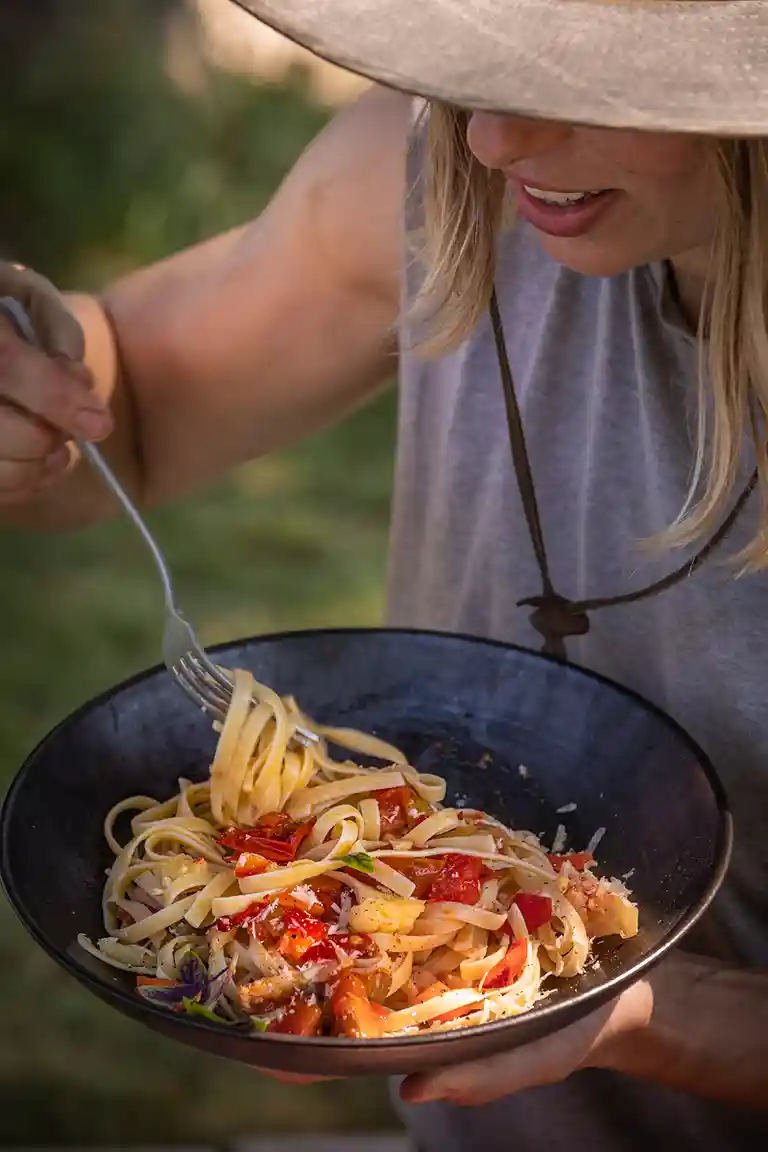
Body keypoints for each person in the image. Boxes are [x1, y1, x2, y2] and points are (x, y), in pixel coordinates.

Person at [1, 0, 767, 1147]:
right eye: (489, 58)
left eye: (589, 80)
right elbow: (134, 411)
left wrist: (672, 1012)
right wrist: (32, 379)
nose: (495, 140)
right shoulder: (433, 168)